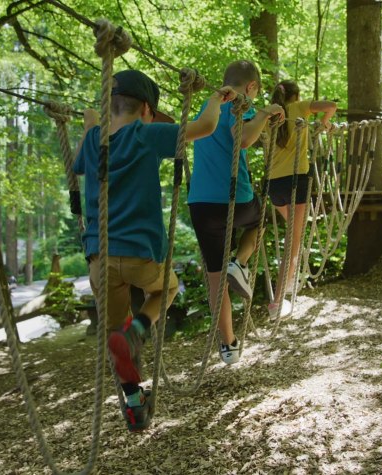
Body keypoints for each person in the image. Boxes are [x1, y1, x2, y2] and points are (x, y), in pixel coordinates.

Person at [74, 69, 235, 432]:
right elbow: (205, 127)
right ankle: (139, 328)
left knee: (113, 332)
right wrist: (215, 100)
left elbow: (81, 164)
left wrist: (88, 122)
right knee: (166, 288)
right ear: (146, 108)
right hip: (139, 254)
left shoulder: (94, 139)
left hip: (99, 260)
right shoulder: (146, 134)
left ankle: (133, 402)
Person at [188, 60, 285, 365]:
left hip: (201, 205)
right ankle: (240, 261)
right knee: (259, 219)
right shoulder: (241, 105)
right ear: (251, 87)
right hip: (235, 202)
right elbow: (242, 138)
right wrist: (266, 112)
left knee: (215, 282)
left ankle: (228, 345)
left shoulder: (209, 104)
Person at [265, 80, 336, 318]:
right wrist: (324, 124)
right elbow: (331, 105)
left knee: (293, 235)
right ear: (296, 96)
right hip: (297, 181)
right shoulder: (300, 108)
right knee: (294, 242)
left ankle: (289, 283)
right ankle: (278, 300)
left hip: (274, 185)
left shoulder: (269, 114)